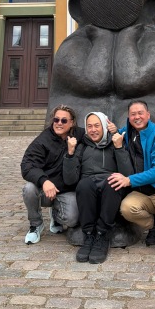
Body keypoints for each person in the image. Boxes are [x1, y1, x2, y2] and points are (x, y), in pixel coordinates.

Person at [108, 100, 155, 246]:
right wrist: (114, 131)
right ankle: (153, 226)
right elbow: (119, 135)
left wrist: (129, 180)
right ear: (129, 117)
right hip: (143, 193)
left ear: (148, 115)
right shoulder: (128, 132)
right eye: (133, 114)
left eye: (140, 113)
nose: (137, 117)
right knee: (126, 208)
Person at [63, 112, 134, 264]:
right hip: (89, 187)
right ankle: (89, 234)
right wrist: (70, 154)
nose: (93, 130)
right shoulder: (82, 147)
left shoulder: (114, 143)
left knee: (112, 182)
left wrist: (119, 148)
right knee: (84, 184)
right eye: (89, 126)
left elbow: (128, 174)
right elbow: (70, 180)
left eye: (97, 126)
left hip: (110, 187)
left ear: (104, 127)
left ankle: (102, 234)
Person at [21, 104, 84, 244]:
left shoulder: (79, 135)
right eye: (56, 120)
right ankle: (36, 224)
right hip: (46, 189)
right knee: (29, 189)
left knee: (72, 219)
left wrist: (113, 130)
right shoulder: (43, 140)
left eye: (64, 120)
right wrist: (44, 181)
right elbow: (27, 165)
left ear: (72, 123)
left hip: (66, 190)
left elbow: (96, 136)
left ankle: (56, 215)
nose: (59, 123)